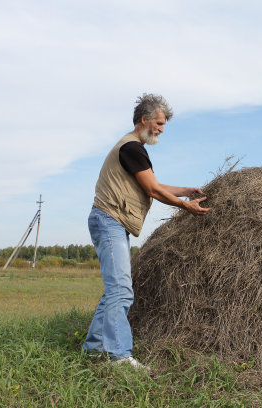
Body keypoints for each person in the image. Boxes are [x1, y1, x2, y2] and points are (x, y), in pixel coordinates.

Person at [82, 93, 210, 369]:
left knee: (115, 290)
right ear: (145, 119)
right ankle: (119, 356)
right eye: (160, 123)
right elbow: (152, 190)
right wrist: (185, 207)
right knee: (121, 290)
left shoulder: (133, 148)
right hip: (109, 220)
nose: (162, 129)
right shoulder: (131, 148)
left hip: (110, 221)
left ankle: (94, 349)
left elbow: (154, 184)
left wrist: (186, 191)